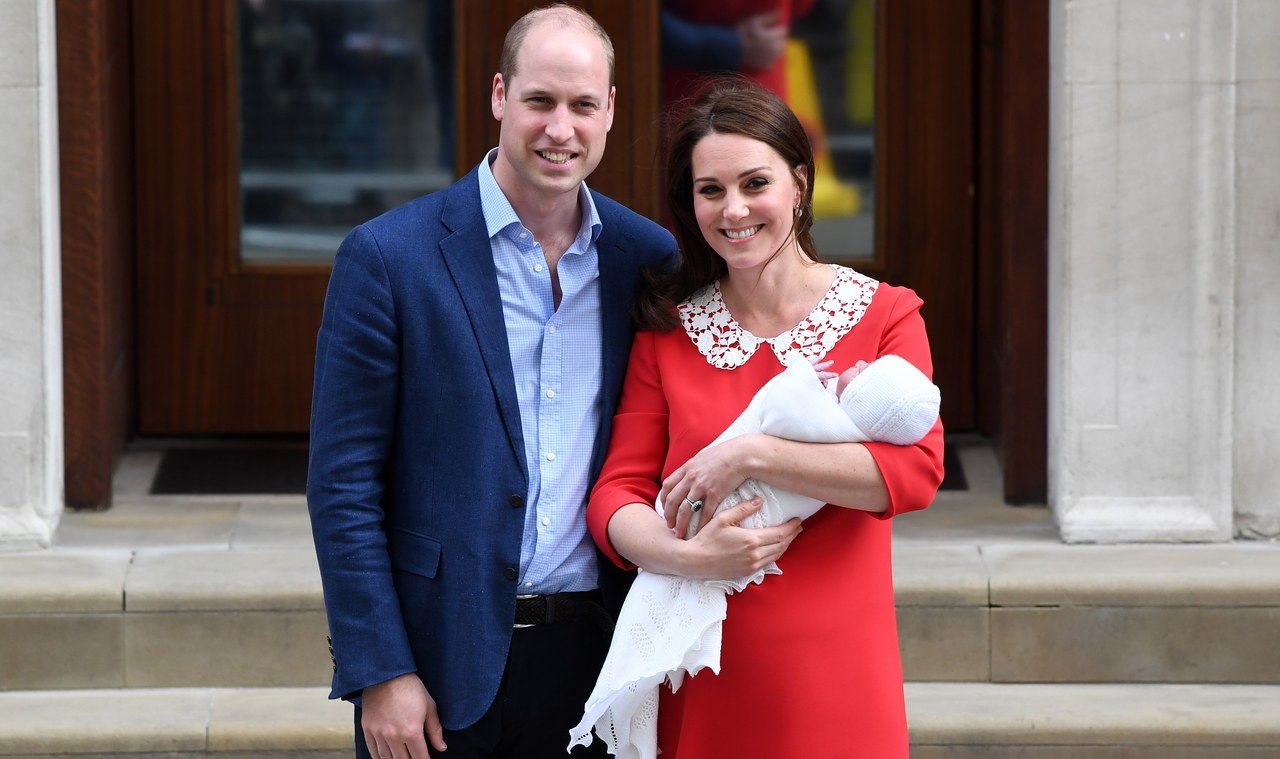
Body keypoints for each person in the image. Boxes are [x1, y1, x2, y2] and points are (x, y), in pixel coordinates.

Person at [306, 5, 676, 758]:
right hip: (438, 671)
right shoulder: (387, 259)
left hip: (601, 659)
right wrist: (381, 668)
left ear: (610, 109)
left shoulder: (648, 258)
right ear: (500, 95)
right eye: (540, 101)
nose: (560, 129)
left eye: (581, 105)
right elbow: (343, 485)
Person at [583, 81, 945, 758]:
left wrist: (752, 455)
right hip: (705, 674)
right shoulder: (668, 332)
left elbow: (917, 473)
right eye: (711, 190)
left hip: (839, 677)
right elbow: (614, 495)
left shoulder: (885, 315)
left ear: (800, 184)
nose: (735, 209)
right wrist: (686, 554)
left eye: (756, 183)